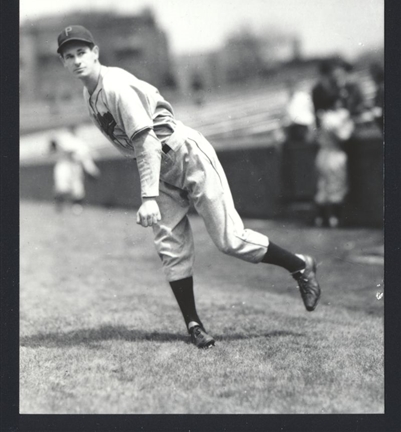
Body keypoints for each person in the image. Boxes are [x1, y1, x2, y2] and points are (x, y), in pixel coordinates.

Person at [56, 25, 321, 349]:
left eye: (81, 52)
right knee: (171, 250)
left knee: (230, 240)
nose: (77, 60)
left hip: (184, 156)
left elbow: (148, 143)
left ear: (95, 52)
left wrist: (149, 196)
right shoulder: (89, 92)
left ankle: (299, 266)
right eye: (69, 56)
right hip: (161, 171)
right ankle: (194, 324)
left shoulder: (115, 87)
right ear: (64, 63)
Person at [311, 58, 360, 228]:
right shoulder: (335, 118)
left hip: (322, 154)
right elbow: (344, 136)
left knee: (322, 187)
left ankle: (319, 219)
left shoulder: (322, 117)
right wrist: (349, 123)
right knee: (336, 187)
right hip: (335, 154)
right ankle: (334, 219)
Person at [49, 126, 100, 214]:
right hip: (64, 165)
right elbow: (53, 143)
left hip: (76, 167)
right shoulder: (64, 138)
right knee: (62, 187)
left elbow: (86, 159)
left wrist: (92, 170)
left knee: (77, 190)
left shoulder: (81, 143)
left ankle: (77, 207)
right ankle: (59, 204)